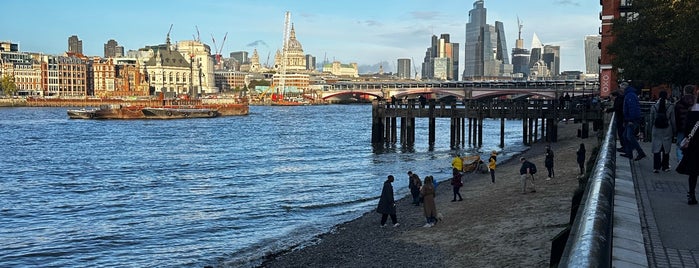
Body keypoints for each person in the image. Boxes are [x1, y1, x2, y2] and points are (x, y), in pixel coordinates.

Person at [676, 94, 699, 205]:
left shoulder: (691, 113)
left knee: (693, 173)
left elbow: (686, 130)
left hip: (693, 147)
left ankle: (691, 194)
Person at [620, 82, 647, 161]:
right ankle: (629, 153)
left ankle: (640, 152)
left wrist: (630, 120)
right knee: (625, 135)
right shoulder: (630, 94)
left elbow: (632, 108)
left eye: (621, 88)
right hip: (630, 118)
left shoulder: (630, 95)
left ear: (624, 88)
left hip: (632, 119)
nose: (620, 90)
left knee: (629, 136)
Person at [650, 91, 675, 172]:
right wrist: (674, 130)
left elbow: (651, 120)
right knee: (666, 148)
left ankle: (656, 167)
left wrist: (651, 129)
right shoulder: (670, 106)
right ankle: (665, 166)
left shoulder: (654, 106)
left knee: (656, 147)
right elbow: (673, 120)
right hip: (667, 129)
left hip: (656, 129)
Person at [674, 85, 696, 162]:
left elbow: (675, 117)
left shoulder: (679, 103)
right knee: (693, 144)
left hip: (681, 126)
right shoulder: (695, 103)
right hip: (694, 127)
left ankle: (680, 160)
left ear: (684, 91)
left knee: (680, 143)